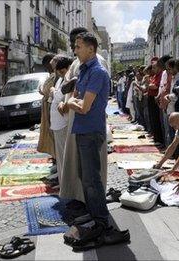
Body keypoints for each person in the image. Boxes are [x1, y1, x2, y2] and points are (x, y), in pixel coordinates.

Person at [59, 27, 109, 210]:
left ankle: (99, 217)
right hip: (80, 125)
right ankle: (89, 206)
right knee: (84, 174)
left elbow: (85, 105)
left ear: (90, 48)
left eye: (78, 46)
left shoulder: (97, 68)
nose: (75, 50)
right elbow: (73, 89)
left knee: (91, 177)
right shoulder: (82, 66)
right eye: (74, 46)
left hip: (89, 126)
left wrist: (70, 103)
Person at [50, 56, 73, 185]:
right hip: (58, 123)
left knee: (64, 155)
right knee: (61, 155)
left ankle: (66, 182)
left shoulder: (68, 79)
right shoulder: (61, 80)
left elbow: (62, 98)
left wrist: (54, 93)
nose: (56, 72)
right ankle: (63, 180)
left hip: (62, 123)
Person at [37, 53, 57, 158]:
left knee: (52, 133)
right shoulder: (51, 75)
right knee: (49, 133)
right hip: (47, 107)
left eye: (47, 65)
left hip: (51, 107)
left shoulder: (56, 76)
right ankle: (54, 155)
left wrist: (42, 91)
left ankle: (56, 156)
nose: (47, 68)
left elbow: (50, 91)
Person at [148, 57, 164, 144]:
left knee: (156, 119)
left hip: (156, 99)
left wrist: (149, 84)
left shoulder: (161, 75)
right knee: (152, 119)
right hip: (151, 98)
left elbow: (155, 86)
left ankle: (159, 139)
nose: (153, 70)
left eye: (154, 68)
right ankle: (155, 136)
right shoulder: (154, 75)